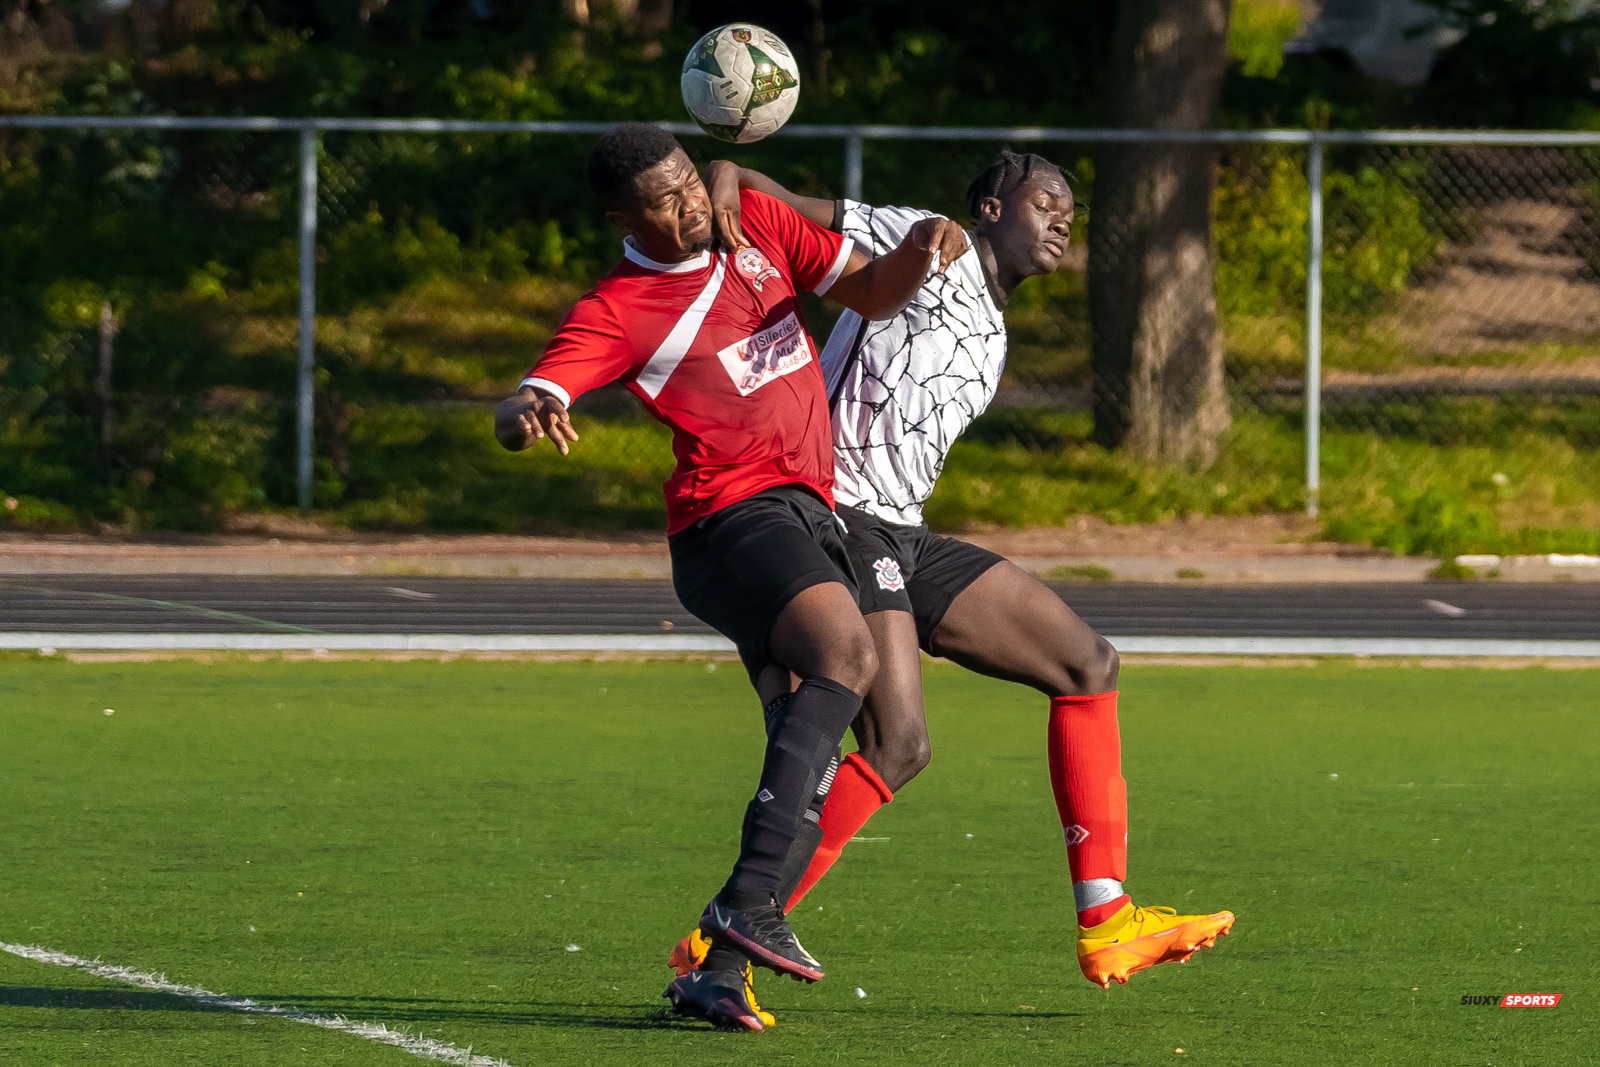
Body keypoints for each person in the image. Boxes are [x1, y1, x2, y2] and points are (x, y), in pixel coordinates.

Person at [669, 150, 1234, 1017]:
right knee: (897, 743)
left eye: (1071, 215)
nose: (1061, 221)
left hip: (901, 526)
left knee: (1087, 664)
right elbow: (762, 189)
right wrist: (722, 173)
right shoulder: (933, 240)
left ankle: (1108, 917)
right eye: (1047, 202)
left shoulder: (998, 327)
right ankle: (724, 937)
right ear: (991, 205)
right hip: (837, 516)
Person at [494, 122, 967, 1032]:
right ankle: (747, 905)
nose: (690, 207)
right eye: (665, 202)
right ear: (621, 218)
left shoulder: (749, 220)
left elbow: (869, 292)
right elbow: (536, 394)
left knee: (811, 750)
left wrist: (917, 246)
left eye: (688, 182)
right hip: (726, 524)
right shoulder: (620, 304)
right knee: (847, 652)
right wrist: (525, 414)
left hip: (806, 517)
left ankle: (716, 968)